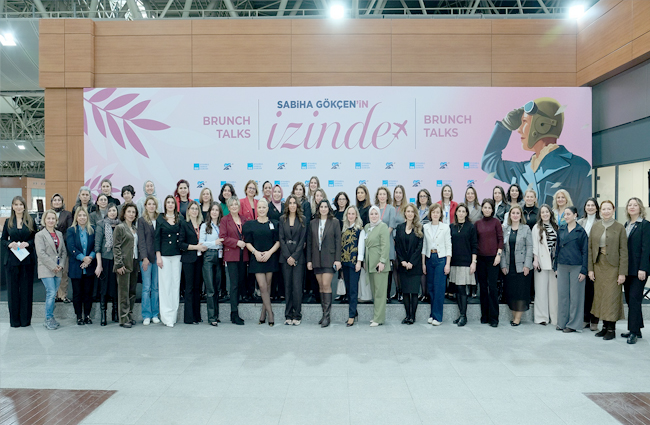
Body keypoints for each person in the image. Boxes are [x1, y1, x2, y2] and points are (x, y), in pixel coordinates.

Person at [481, 97, 592, 210]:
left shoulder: (579, 167)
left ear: (542, 125)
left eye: (524, 122)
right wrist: (506, 125)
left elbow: (583, 213)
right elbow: (488, 162)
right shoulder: (521, 170)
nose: (519, 129)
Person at [588, 200, 628, 340]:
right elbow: (590, 249)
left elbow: (624, 251)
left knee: (611, 297)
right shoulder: (596, 226)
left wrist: (622, 272)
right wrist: (590, 269)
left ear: (613, 210)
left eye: (608, 209)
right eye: (603, 209)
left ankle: (611, 329)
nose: (606, 211)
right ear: (600, 211)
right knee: (600, 297)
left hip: (613, 267)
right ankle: (604, 327)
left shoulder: (620, 227)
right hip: (599, 265)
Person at [244, 199, 281, 326]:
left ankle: (263, 314)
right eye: (259, 207)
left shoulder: (274, 224)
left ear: (267, 209)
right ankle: (270, 313)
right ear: (256, 209)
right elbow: (248, 243)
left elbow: (278, 242)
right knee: (262, 286)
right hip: (257, 258)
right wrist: (256, 253)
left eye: (264, 207)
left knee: (268, 286)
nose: (261, 209)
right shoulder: (250, 225)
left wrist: (269, 253)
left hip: (270, 257)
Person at [2, 196, 37, 328]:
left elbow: (35, 238)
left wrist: (28, 244)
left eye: (21, 204)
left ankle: (25, 320)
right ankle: (15, 321)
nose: (18, 207)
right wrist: (9, 244)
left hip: (27, 261)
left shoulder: (30, 221)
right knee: (12, 292)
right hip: (11, 261)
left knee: (26, 291)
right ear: (12, 206)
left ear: (24, 206)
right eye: (16, 204)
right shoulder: (8, 222)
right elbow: (3, 239)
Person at [307, 199, 342, 327]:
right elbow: (309, 243)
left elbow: (338, 241)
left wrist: (338, 259)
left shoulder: (335, 222)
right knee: (321, 286)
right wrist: (309, 260)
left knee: (326, 284)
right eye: (321, 207)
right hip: (316, 259)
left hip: (329, 258)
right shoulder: (313, 223)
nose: (323, 209)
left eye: (325, 207)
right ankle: (323, 314)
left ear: (329, 209)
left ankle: (327, 316)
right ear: (318, 209)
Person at [554, 206, 588, 333]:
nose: (566, 216)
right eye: (565, 214)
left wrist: (584, 270)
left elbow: (585, 252)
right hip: (562, 265)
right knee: (562, 295)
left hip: (576, 266)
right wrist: (555, 266)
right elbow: (557, 249)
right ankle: (562, 322)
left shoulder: (581, 231)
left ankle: (573, 324)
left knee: (575, 297)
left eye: (568, 214)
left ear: (575, 215)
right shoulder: (561, 229)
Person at [621, 197, 649, 344]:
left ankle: (633, 332)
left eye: (635, 205)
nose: (632, 207)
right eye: (630, 205)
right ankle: (637, 329)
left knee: (634, 298)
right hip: (628, 269)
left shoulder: (645, 225)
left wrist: (643, 268)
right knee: (630, 299)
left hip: (639, 270)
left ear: (640, 208)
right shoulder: (627, 225)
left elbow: (646, 248)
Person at [501, 205, 533, 326]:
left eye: (517, 213)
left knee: (521, 292)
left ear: (521, 215)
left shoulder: (526, 229)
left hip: (522, 267)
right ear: (509, 215)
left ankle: (517, 319)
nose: (515, 215)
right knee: (511, 291)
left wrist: (527, 265)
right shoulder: (506, 229)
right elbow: (502, 249)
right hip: (509, 266)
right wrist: (503, 265)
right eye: (513, 213)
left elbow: (530, 247)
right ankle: (514, 316)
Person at [35, 209, 67, 330]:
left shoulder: (59, 234)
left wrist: (61, 265)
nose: (51, 220)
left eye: (53, 218)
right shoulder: (40, 235)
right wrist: (53, 266)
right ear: (44, 220)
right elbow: (41, 253)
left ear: (56, 220)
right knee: (51, 292)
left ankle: (50, 317)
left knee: (53, 294)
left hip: (58, 269)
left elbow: (63, 252)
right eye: (48, 218)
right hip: (46, 268)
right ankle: (48, 318)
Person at [475, 199, 504, 327]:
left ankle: (494, 318)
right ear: (482, 209)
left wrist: (498, 255)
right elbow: (475, 241)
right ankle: (484, 315)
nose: (487, 210)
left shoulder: (496, 222)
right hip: (480, 259)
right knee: (482, 287)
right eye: (485, 207)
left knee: (492, 288)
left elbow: (500, 240)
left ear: (492, 210)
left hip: (493, 259)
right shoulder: (477, 223)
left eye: (489, 208)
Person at [279, 195, 307, 326]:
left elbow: (302, 241)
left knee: (297, 287)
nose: (292, 205)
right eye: (290, 203)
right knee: (288, 287)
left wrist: (294, 257)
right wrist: (288, 257)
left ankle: (297, 315)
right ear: (287, 205)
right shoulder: (282, 219)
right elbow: (281, 239)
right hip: (285, 258)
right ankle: (288, 315)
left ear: (297, 205)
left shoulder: (303, 219)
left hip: (298, 259)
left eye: (294, 203)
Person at [155, 195, 182, 328]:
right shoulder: (160, 218)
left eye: (172, 202)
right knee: (165, 286)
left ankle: (173, 316)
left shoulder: (180, 218)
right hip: (164, 256)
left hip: (177, 255)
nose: (170, 204)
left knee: (175, 285)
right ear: (165, 205)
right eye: (168, 202)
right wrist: (158, 256)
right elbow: (157, 238)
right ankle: (166, 317)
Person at [422, 203, 451, 326]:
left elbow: (448, 246)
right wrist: (423, 263)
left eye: (437, 212)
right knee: (431, 288)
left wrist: (447, 264)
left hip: (441, 259)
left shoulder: (445, 227)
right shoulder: (425, 227)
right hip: (429, 258)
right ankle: (432, 314)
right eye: (433, 212)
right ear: (430, 214)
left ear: (440, 214)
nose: (435, 214)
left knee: (439, 288)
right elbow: (424, 246)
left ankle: (438, 317)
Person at [66, 207, 97, 326]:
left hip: (90, 266)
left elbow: (96, 246)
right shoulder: (71, 230)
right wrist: (83, 258)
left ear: (87, 217)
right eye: (80, 215)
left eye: (84, 215)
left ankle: (87, 315)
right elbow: (71, 247)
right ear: (76, 218)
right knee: (77, 293)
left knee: (88, 293)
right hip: (76, 266)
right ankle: (79, 316)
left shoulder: (92, 229)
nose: (82, 217)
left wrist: (90, 258)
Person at [220, 196, 248, 325]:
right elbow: (223, 237)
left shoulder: (244, 219)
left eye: (236, 204)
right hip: (232, 256)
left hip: (243, 255)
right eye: (232, 205)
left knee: (241, 282)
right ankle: (234, 313)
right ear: (229, 207)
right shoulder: (225, 220)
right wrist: (237, 242)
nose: (234, 206)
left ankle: (236, 310)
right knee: (234, 284)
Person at [449, 203, 478, 326]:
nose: (461, 213)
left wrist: (473, 262)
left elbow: (474, 245)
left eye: (463, 211)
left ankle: (463, 316)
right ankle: (460, 314)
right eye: (459, 211)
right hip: (454, 262)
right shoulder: (451, 227)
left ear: (466, 213)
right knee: (457, 289)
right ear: (456, 213)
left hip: (465, 262)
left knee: (462, 289)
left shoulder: (470, 227)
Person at [395, 203, 423, 325]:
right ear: (405, 213)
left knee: (414, 292)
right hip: (403, 265)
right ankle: (407, 315)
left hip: (415, 266)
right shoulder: (399, 227)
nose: (410, 213)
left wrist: (411, 262)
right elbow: (398, 246)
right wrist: (402, 261)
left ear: (415, 214)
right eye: (408, 211)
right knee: (405, 292)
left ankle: (413, 316)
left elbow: (419, 247)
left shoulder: (419, 228)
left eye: (412, 211)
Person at [113, 203, 139, 328]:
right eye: (129, 212)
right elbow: (116, 246)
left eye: (133, 212)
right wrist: (119, 264)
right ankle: (123, 318)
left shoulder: (135, 229)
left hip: (134, 262)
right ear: (124, 213)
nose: (131, 214)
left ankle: (129, 315)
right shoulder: (120, 228)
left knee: (132, 291)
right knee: (123, 292)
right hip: (123, 263)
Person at [532, 204, 559, 325]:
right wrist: (535, 260)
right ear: (540, 214)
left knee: (554, 292)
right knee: (541, 291)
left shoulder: (556, 227)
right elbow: (535, 245)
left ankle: (555, 318)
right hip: (541, 262)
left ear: (550, 213)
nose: (545, 214)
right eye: (542, 212)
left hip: (554, 263)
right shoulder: (536, 227)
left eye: (547, 212)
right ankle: (541, 317)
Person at [180, 201, 206, 324]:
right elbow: (181, 244)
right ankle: (189, 317)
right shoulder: (184, 224)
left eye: (196, 209)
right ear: (188, 211)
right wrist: (196, 247)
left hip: (200, 259)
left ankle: (197, 316)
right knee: (189, 288)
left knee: (197, 288)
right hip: (188, 260)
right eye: (192, 209)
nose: (194, 211)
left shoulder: (202, 225)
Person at [364, 206, 391, 327]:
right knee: (375, 292)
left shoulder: (383, 226)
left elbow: (385, 245)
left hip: (379, 264)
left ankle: (379, 318)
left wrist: (382, 261)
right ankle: (376, 315)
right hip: (370, 263)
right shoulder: (367, 227)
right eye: (372, 214)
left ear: (379, 215)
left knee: (380, 292)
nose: (374, 216)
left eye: (376, 214)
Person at [94, 203, 120, 326]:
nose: (112, 213)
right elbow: (97, 246)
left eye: (114, 210)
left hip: (118, 260)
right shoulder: (101, 224)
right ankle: (103, 315)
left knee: (116, 287)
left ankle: (115, 313)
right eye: (110, 211)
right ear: (107, 212)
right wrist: (99, 265)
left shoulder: (121, 225)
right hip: (105, 260)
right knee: (104, 289)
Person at [578, 197, 601, 330]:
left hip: (597, 261)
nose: (590, 207)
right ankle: (585, 318)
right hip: (582, 260)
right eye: (588, 205)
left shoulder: (601, 222)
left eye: (593, 205)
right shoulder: (580, 222)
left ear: (596, 208)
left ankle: (594, 320)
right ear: (585, 208)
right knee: (585, 291)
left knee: (595, 291)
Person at [199, 202, 224, 327]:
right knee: (210, 289)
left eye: (216, 210)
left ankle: (216, 315)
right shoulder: (205, 226)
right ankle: (211, 317)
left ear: (219, 212)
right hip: (208, 257)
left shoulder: (222, 225)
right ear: (209, 212)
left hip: (220, 258)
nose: (214, 212)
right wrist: (215, 242)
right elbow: (201, 243)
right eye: (212, 210)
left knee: (217, 288)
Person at [340, 205, 365, 326]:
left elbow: (361, 247)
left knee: (353, 290)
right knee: (348, 289)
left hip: (354, 263)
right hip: (345, 262)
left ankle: (351, 316)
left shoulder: (360, 230)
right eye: (349, 214)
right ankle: (354, 311)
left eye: (353, 214)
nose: (350, 216)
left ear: (356, 216)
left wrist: (359, 262)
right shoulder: (344, 229)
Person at [137, 195, 160, 326]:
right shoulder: (141, 221)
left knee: (155, 287)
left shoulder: (160, 219)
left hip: (157, 258)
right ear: (145, 206)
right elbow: (141, 241)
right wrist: (144, 258)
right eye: (149, 204)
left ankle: (155, 314)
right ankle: (146, 314)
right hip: (146, 258)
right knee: (146, 288)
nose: (151, 206)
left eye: (153, 204)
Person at [375, 187, 397, 302]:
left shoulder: (391, 209)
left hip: (387, 241)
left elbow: (391, 225)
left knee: (387, 268)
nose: (382, 196)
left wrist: (382, 237)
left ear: (387, 196)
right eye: (380, 194)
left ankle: (387, 294)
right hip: (376, 243)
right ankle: (378, 294)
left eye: (384, 194)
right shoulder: (375, 208)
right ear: (377, 196)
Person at [51, 193, 73, 304]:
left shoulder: (67, 214)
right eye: (55, 200)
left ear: (62, 202)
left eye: (59, 200)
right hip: (51, 248)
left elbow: (69, 230)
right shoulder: (48, 214)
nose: (57, 202)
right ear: (52, 202)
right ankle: (53, 295)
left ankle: (63, 295)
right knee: (53, 272)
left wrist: (58, 240)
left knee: (64, 272)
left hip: (63, 247)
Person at [392, 185, 407, 302]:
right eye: (396, 192)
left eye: (400, 193)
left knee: (401, 266)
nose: (398, 195)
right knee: (394, 266)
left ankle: (402, 291)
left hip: (402, 241)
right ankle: (397, 290)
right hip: (391, 240)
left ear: (403, 194)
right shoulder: (390, 207)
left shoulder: (406, 208)